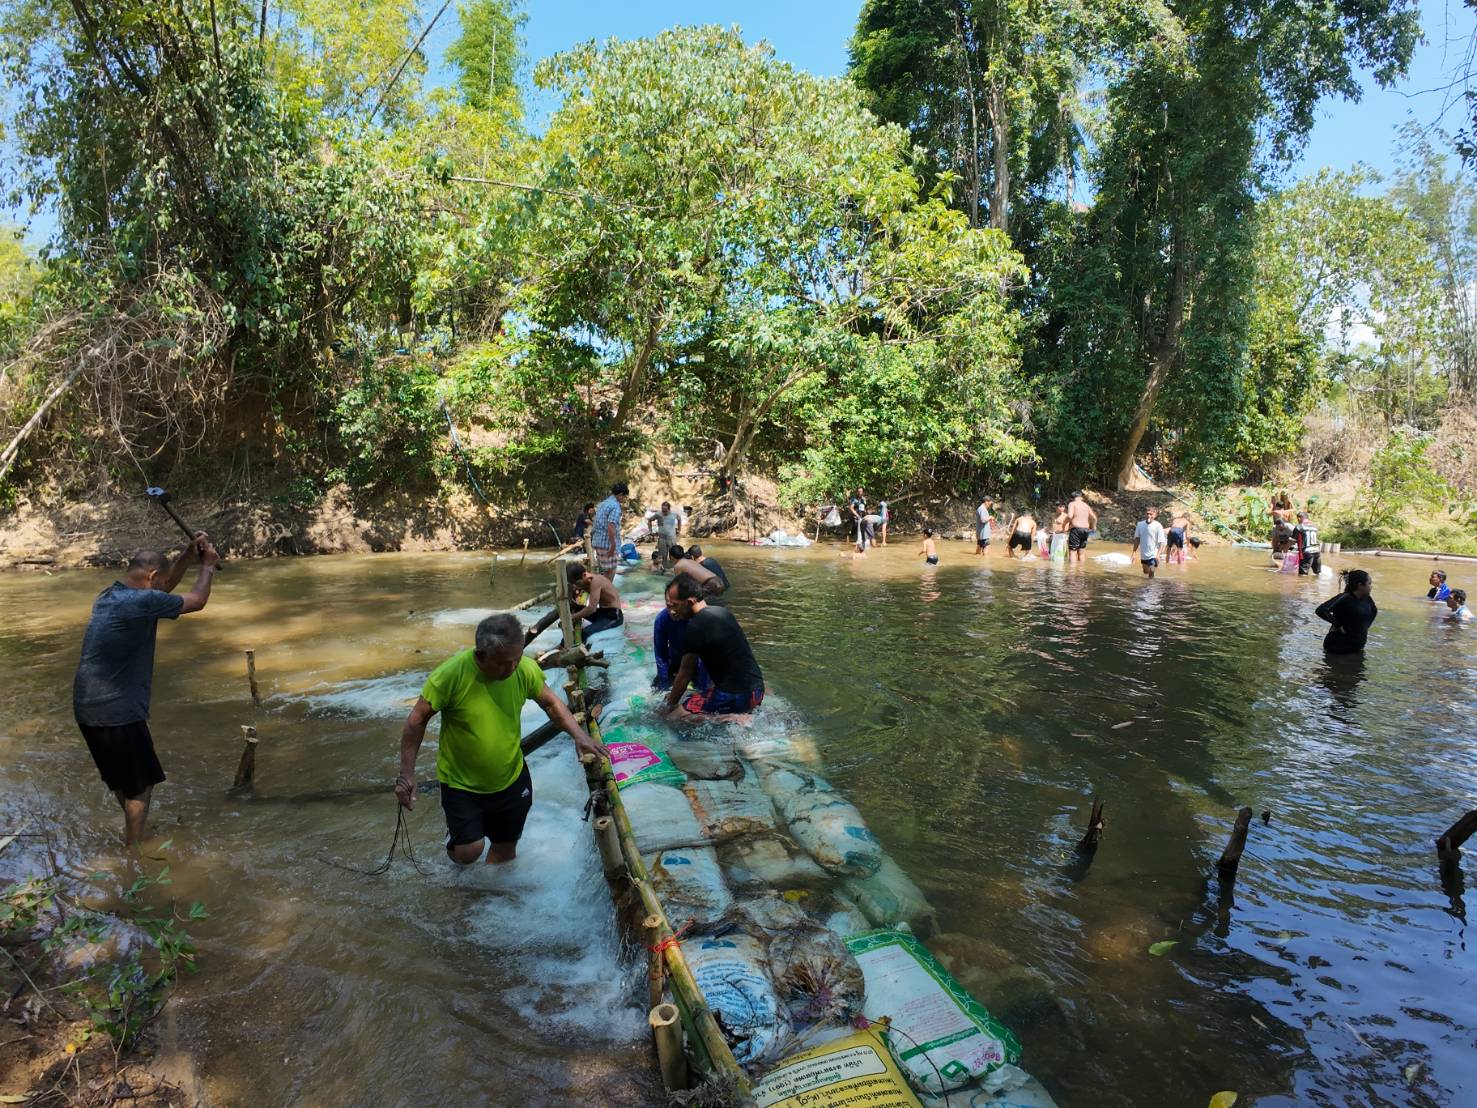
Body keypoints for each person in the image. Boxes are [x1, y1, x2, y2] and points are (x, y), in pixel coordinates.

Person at [396, 614, 605, 865]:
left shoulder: (524, 668)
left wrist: (579, 736)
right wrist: (407, 773)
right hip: (461, 783)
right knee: (468, 853)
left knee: (505, 853)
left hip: (511, 777)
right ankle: (456, 838)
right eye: (503, 663)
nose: (512, 668)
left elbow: (550, 703)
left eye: (517, 659)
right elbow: (416, 720)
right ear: (480, 655)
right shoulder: (450, 675)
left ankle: (489, 887)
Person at [73, 533, 220, 847]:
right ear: (151, 576)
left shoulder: (110, 595)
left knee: (123, 782)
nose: (163, 588)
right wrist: (207, 566)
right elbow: (197, 601)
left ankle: (134, 835)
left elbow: (162, 590)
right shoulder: (142, 602)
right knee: (142, 786)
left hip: (87, 707)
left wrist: (187, 555)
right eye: (160, 582)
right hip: (117, 710)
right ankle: (134, 852)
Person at [661, 575, 765, 716]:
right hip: (756, 691)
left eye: (674, 605)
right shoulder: (722, 612)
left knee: (674, 718)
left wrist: (669, 705)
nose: (671, 611)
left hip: (733, 695)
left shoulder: (697, 625)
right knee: (695, 698)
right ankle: (735, 715)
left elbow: (685, 674)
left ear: (690, 602)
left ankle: (731, 719)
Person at [524, 563, 624, 644]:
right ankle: (564, 643)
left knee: (584, 633)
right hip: (601, 613)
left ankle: (564, 647)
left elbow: (591, 608)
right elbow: (572, 602)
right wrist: (572, 591)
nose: (578, 586)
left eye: (578, 583)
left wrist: (571, 617)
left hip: (613, 616)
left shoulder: (596, 581)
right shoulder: (583, 582)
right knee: (574, 608)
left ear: (584, 575)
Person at [1315, 569, 1377, 654]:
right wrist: (1337, 624)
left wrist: (1363, 628)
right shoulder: (1345, 597)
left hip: (1357, 647)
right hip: (1337, 646)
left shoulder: (1367, 599)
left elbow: (1374, 612)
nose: (1371, 587)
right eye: (1369, 583)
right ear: (1360, 585)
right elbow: (1321, 610)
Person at [590, 482, 628, 575]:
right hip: (607, 544)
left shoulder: (603, 503)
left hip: (598, 542)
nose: (625, 498)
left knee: (602, 573)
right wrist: (613, 546)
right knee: (609, 573)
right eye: (625, 496)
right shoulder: (615, 506)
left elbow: (594, 520)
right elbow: (611, 526)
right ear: (620, 494)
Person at [1131, 506, 1167, 578]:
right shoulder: (1140, 524)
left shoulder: (1158, 526)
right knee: (1145, 572)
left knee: (1151, 572)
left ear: (1155, 515)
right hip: (1144, 554)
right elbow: (1137, 539)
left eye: (1151, 514)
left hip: (1154, 554)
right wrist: (1134, 553)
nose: (1149, 516)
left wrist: (1158, 555)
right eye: (1147, 514)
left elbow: (1162, 542)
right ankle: (1146, 584)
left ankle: (1151, 584)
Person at [1065, 492, 1097, 563]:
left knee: (1073, 552)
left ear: (1072, 498)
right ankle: (1081, 569)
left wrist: (1064, 523)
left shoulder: (1072, 504)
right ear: (1081, 497)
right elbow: (1094, 518)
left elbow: (1070, 516)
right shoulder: (1086, 505)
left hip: (1076, 530)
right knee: (1081, 552)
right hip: (1086, 530)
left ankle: (1072, 569)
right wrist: (1094, 527)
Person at [1294, 511, 1322, 576]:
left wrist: (1285, 549)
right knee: (1316, 574)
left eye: (1297, 519)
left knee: (1302, 575)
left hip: (1307, 552)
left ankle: (1302, 583)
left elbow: (1293, 539)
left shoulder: (1299, 527)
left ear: (1299, 518)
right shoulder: (1315, 526)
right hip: (1317, 552)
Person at [655, 501, 681, 569]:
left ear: (669, 509)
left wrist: (679, 529)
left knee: (673, 555)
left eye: (665, 510)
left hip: (672, 538)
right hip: (662, 539)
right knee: (662, 556)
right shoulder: (658, 514)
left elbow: (679, 519)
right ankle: (664, 569)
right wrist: (650, 530)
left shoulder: (674, 514)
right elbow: (649, 520)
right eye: (662, 510)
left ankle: (673, 569)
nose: (663, 512)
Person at [849, 487, 869, 555]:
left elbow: (865, 508)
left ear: (863, 492)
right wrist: (857, 515)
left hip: (862, 518)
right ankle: (854, 550)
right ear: (857, 492)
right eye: (859, 491)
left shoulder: (864, 499)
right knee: (855, 534)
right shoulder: (854, 499)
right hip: (855, 518)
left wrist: (866, 515)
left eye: (861, 491)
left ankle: (861, 549)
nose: (860, 493)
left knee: (863, 532)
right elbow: (851, 508)